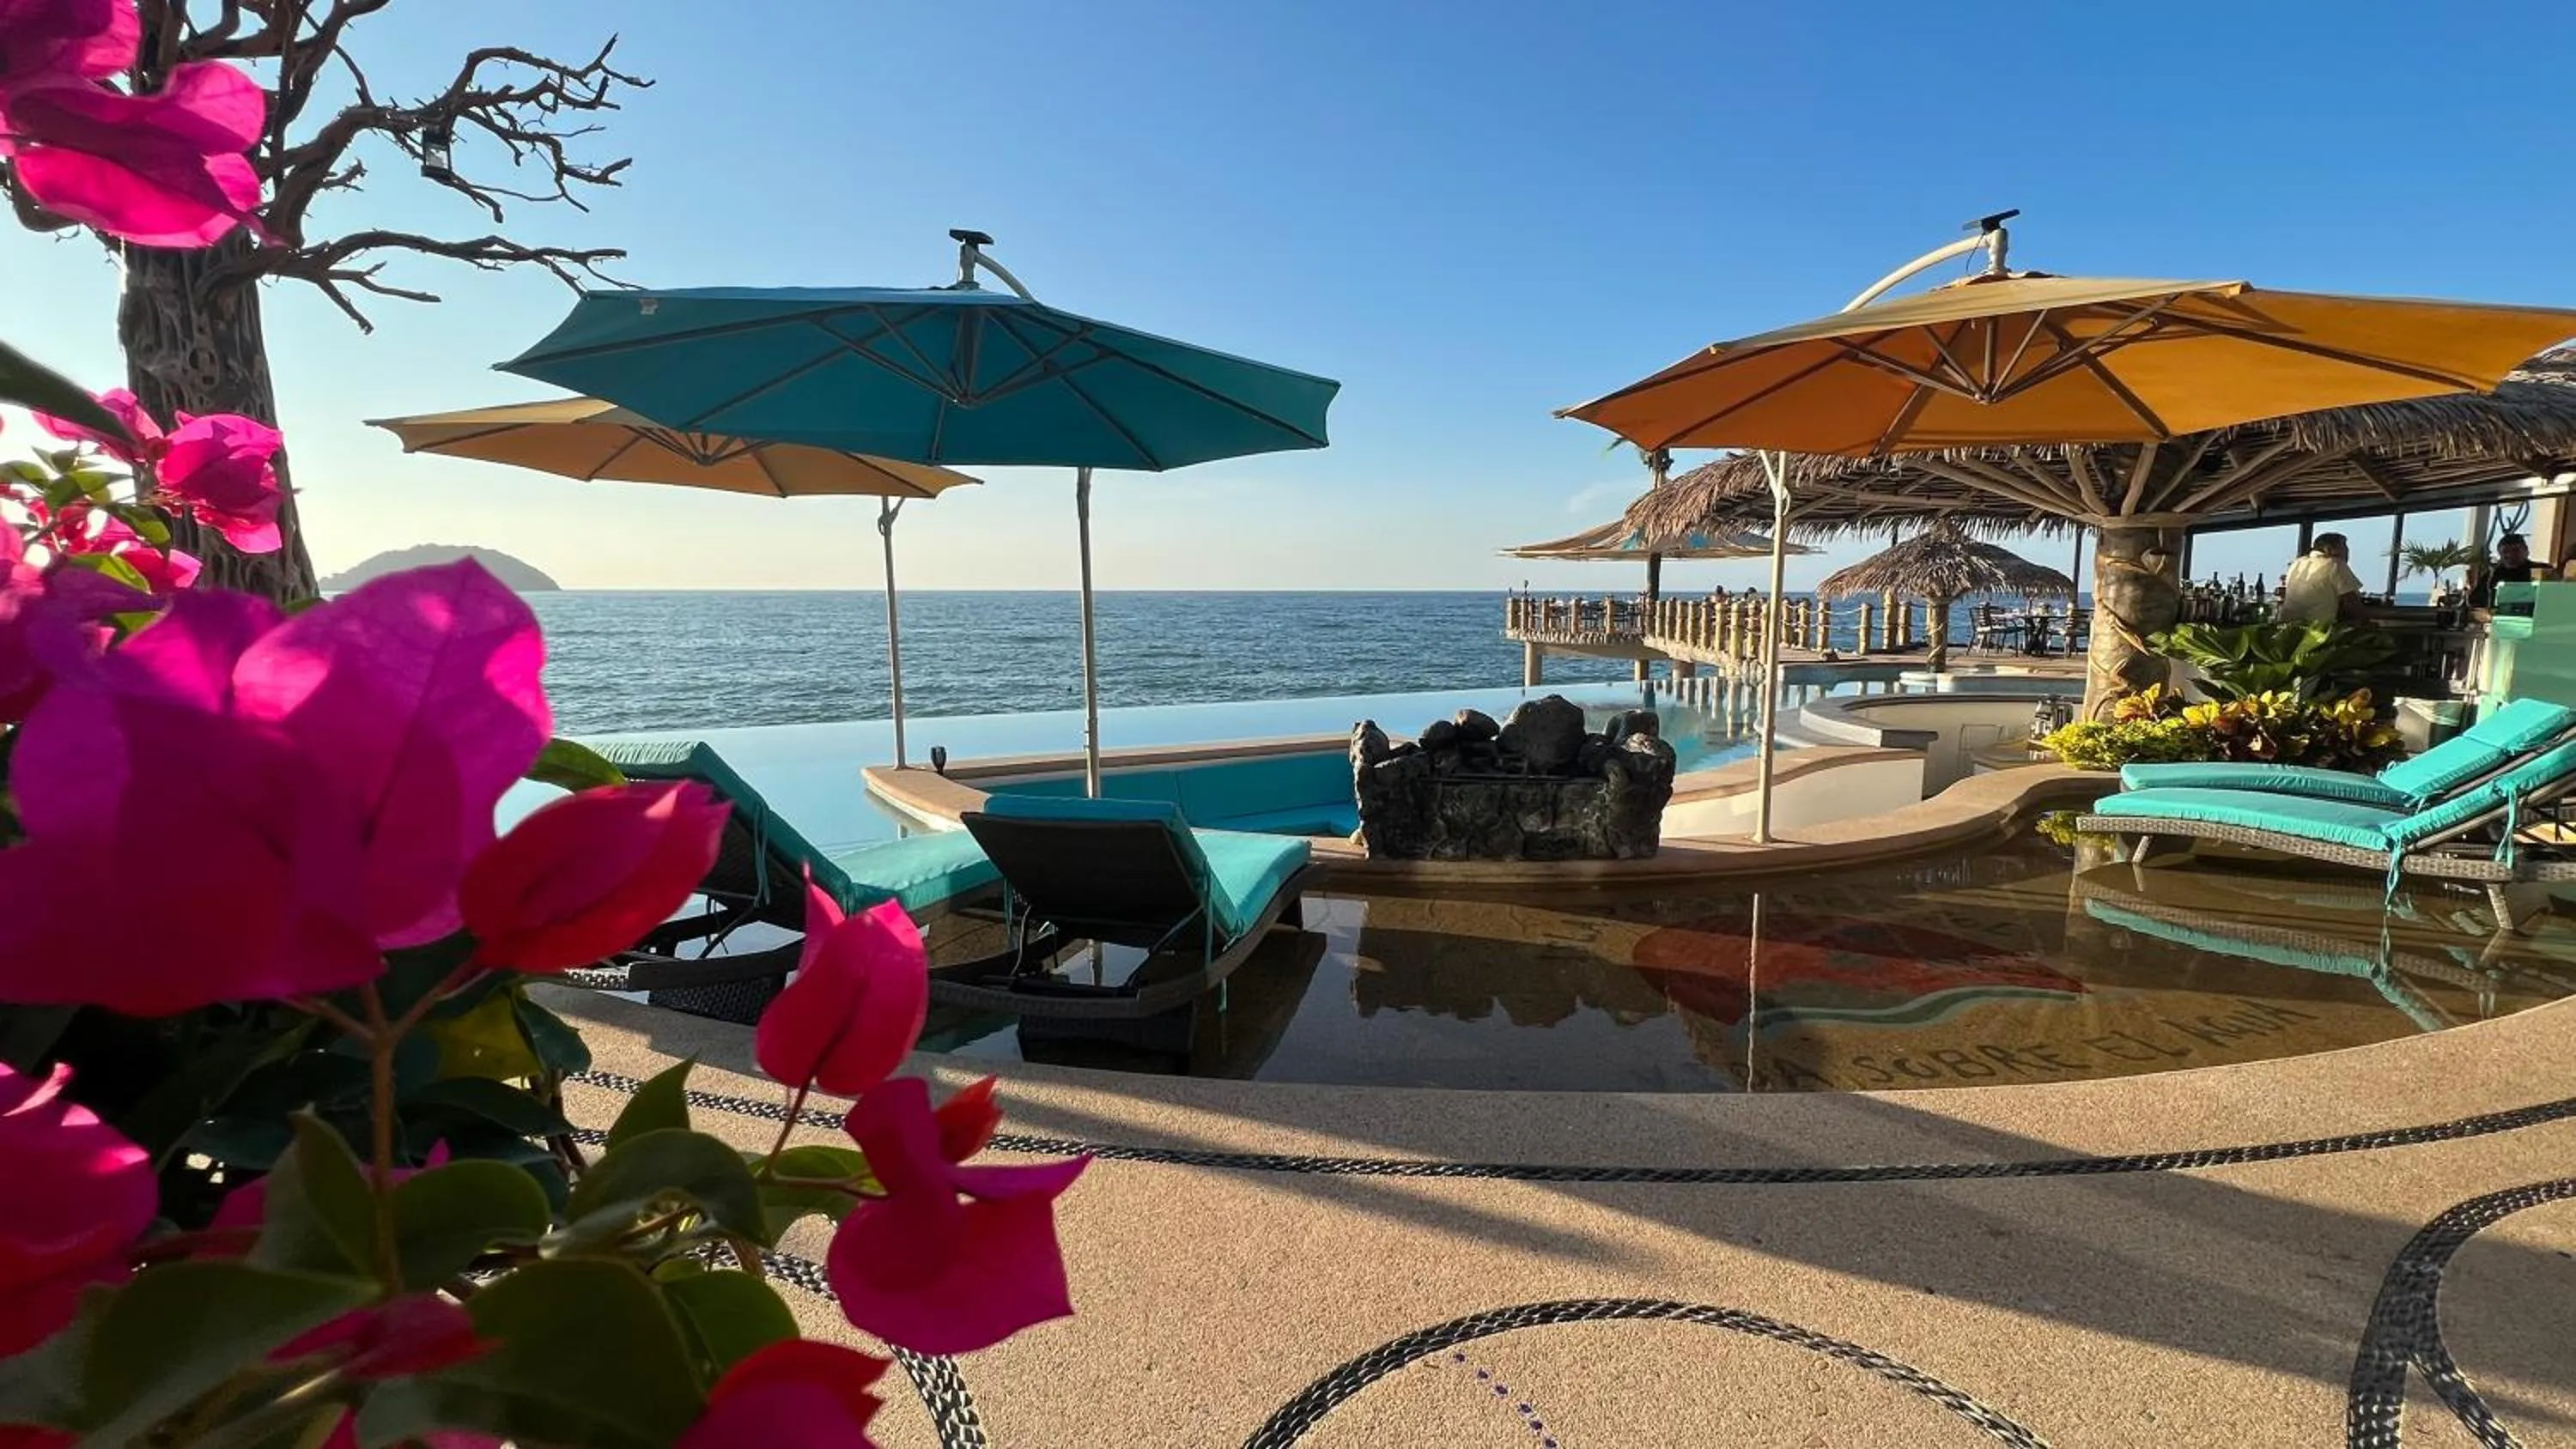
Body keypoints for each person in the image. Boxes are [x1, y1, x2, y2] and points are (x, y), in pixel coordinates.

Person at [2277, 533, 2367, 624]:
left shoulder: (2297, 563)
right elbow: (2352, 602)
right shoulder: (2335, 564)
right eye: (2344, 547)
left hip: (2286, 627)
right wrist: (2367, 623)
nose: (2347, 551)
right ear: (2328, 549)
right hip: (2316, 631)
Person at [2470, 532, 2555, 608]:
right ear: (2500, 554)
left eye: (2516, 550)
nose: (2510, 555)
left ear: (2526, 551)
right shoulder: (2492, 575)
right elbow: (2475, 602)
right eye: (2505, 551)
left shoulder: (2542, 571)